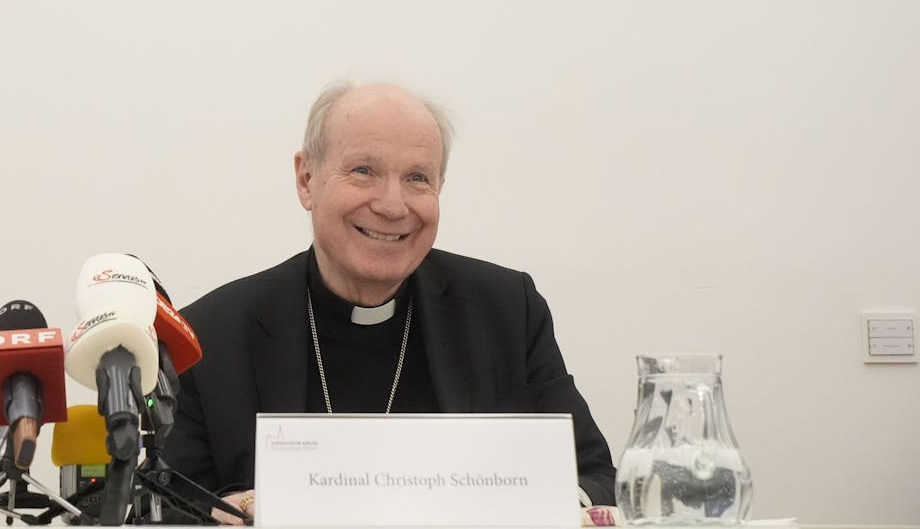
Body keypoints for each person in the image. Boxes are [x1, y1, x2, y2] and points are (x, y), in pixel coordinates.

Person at [168, 82, 615, 520]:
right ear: (306, 180)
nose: (392, 205)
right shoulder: (209, 337)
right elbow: (165, 505)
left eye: (417, 178)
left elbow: (592, 476)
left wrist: (553, 510)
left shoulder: (507, 311)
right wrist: (227, 512)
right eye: (364, 171)